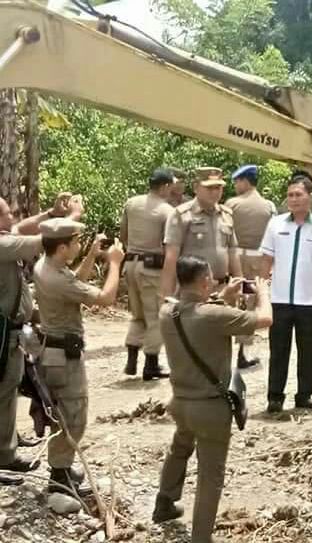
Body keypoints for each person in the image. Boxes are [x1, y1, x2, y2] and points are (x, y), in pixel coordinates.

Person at [153, 256, 272, 543]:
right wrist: (264, 292)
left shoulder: (167, 312)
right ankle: (201, 538)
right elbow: (265, 319)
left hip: (180, 402)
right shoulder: (214, 316)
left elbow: (196, 311)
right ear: (205, 280)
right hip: (209, 409)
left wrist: (222, 297)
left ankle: (164, 503)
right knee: (210, 476)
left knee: (180, 446)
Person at [34, 218, 125, 495]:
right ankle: (59, 478)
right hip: (64, 357)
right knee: (73, 415)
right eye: (75, 243)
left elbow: (76, 283)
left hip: (53, 352)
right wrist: (115, 263)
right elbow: (106, 298)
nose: (78, 245)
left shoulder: (47, 266)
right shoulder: (55, 277)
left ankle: (62, 467)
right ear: (62, 248)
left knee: (63, 413)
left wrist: (90, 256)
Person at [0, 195, 82, 486]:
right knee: (2, 393)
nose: (13, 219)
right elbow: (42, 240)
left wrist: (50, 212)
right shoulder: (2, 245)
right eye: (7, 214)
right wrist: (72, 216)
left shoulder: (6, 238)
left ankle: (6, 450)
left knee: (8, 391)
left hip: (11, 331)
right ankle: (3, 459)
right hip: (3, 333)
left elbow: (23, 229)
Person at [260, 172, 312, 413]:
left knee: (308, 351)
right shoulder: (275, 224)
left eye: (298, 195)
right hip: (280, 300)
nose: (293, 199)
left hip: (309, 301)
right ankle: (275, 397)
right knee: (278, 350)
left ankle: (304, 395)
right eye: (290, 195)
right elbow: (266, 259)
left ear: (310, 197)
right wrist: (263, 291)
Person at [119, 168, 175, 379]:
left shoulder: (131, 203)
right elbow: (168, 244)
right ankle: (151, 364)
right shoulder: (166, 211)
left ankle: (131, 360)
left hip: (130, 263)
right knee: (155, 316)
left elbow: (123, 234)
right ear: (165, 186)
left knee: (137, 314)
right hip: (151, 267)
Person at [225, 164, 277, 369]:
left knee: (230, 302)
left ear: (245, 181)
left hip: (234, 260)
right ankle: (242, 353)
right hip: (256, 263)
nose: (236, 185)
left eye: (237, 181)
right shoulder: (269, 206)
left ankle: (225, 351)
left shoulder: (231, 204)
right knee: (250, 304)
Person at [161, 167, 241, 298]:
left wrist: (239, 286)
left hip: (222, 289)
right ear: (196, 188)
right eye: (210, 188)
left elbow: (233, 254)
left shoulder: (226, 215)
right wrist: (167, 297)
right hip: (192, 292)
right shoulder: (182, 215)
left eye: (218, 188)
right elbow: (171, 259)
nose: (215, 192)